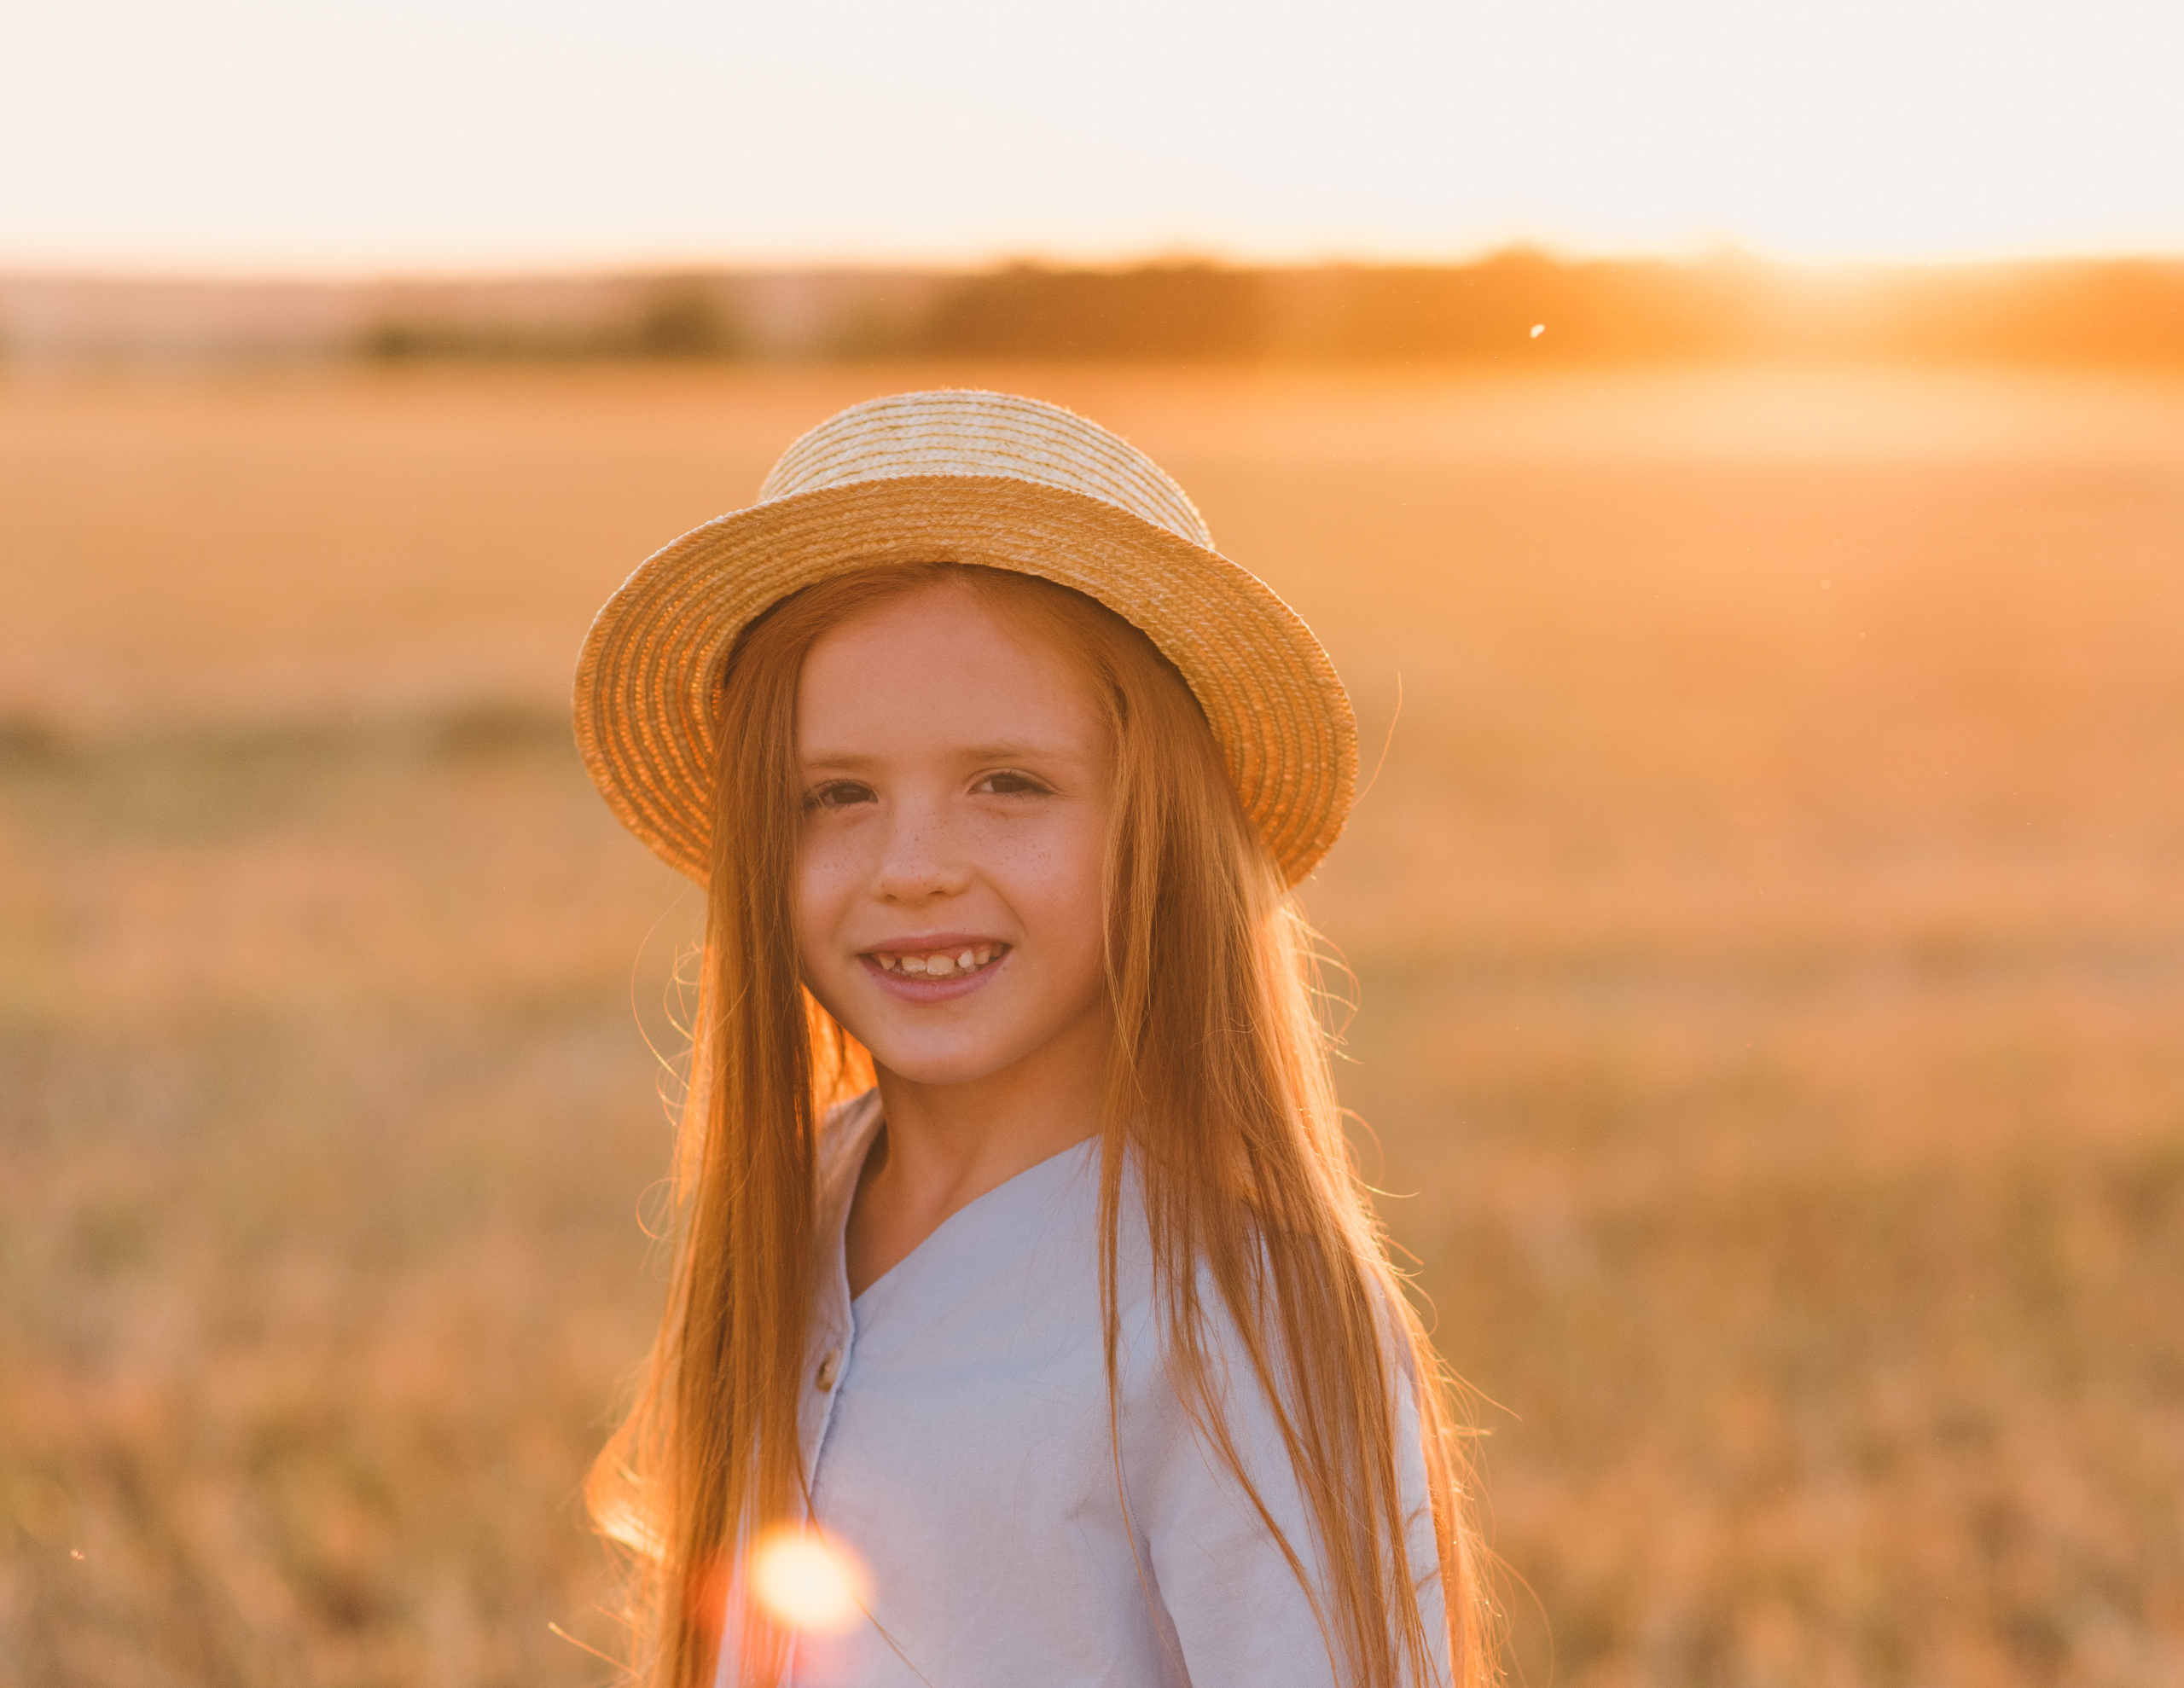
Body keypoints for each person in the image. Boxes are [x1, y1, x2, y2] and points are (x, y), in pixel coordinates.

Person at [572, 389, 1492, 1688]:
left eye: (1007, 784)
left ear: (1160, 831)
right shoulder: (805, 1196)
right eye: (835, 794)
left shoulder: (1235, 1312)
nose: (912, 868)